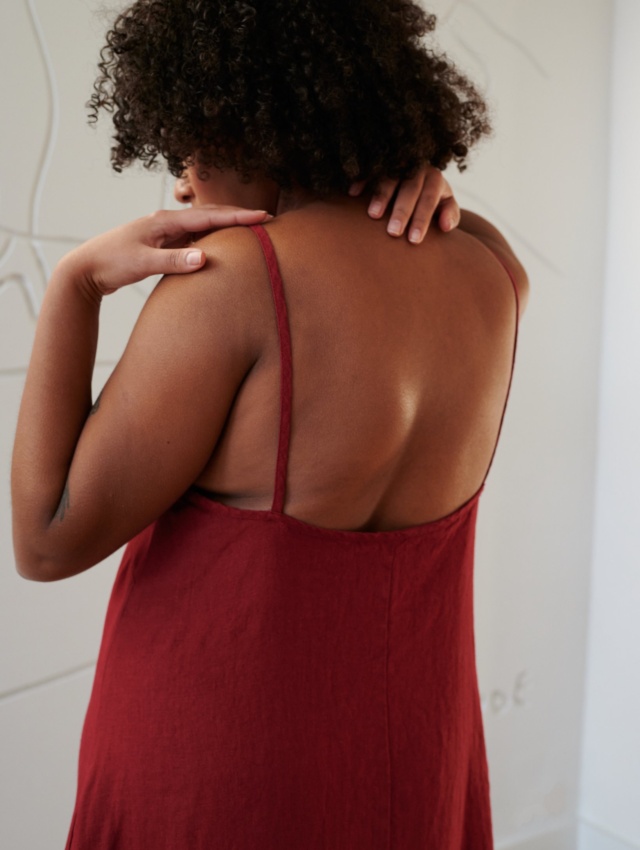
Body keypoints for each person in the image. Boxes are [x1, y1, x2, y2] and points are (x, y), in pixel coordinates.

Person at [11, 1, 529, 848]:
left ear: (242, 118)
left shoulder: (233, 282)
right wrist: (428, 182)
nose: (179, 178)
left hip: (219, 772)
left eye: (188, 145)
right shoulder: (491, 269)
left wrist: (74, 286)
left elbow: (46, 538)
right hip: (409, 759)